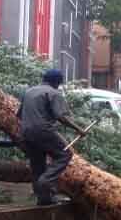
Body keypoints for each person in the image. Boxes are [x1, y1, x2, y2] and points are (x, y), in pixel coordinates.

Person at [17, 69, 86, 206]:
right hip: (43, 131)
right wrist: (79, 130)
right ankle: (46, 181)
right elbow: (61, 117)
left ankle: (43, 199)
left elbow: (18, 115)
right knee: (64, 154)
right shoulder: (53, 93)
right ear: (56, 82)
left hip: (26, 132)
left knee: (38, 164)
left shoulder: (29, 91)